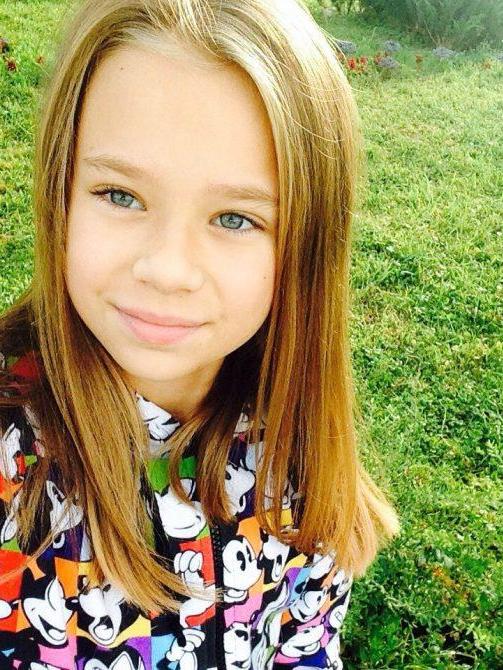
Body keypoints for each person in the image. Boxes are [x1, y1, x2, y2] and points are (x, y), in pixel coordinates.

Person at [0, 0, 400, 667]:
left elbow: (307, 643)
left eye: (235, 218)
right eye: (120, 195)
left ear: (307, 250)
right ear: (59, 190)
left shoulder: (298, 441)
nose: (167, 269)